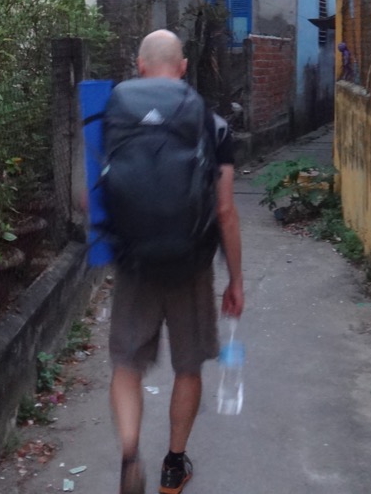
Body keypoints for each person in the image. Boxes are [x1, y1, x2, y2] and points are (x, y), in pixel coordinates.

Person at [107, 29, 244, 494]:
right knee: (188, 367)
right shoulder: (211, 124)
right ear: (183, 68)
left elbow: (92, 196)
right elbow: (224, 211)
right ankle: (172, 465)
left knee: (127, 364)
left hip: (134, 265)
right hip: (191, 264)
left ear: (140, 65)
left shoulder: (114, 117)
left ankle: (130, 455)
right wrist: (235, 280)